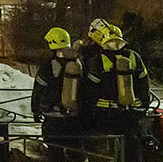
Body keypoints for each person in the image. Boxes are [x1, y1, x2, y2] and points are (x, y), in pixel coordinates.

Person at [81, 20, 150, 162]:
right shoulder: (133, 57)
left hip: (105, 115)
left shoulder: (97, 61)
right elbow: (144, 85)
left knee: (105, 149)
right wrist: (142, 106)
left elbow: (90, 91)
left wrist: (88, 112)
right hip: (130, 113)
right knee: (132, 143)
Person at [32, 27, 84, 162]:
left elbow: (38, 89)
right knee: (76, 150)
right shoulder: (77, 63)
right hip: (74, 117)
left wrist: (35, 110)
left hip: (53, 118)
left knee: (54, 152)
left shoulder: (49, 65)